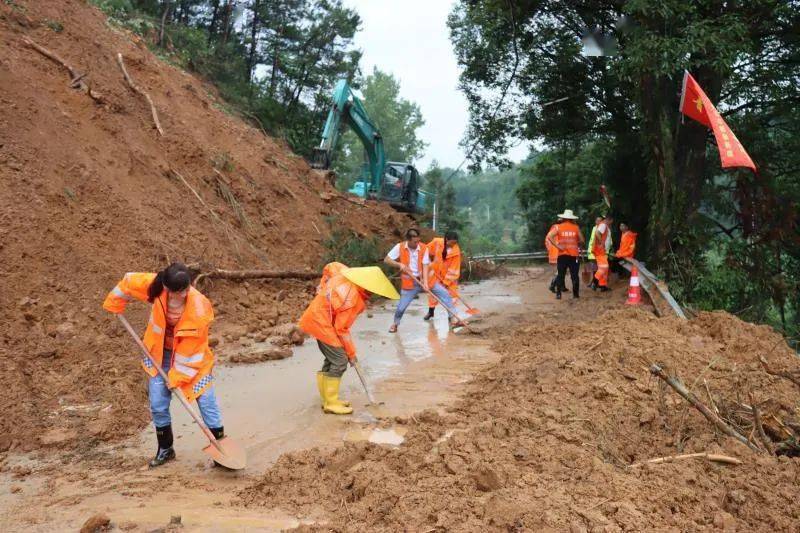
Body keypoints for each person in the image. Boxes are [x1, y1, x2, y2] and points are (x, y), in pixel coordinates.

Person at [103, 263, 223, 468]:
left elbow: (190, 352)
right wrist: (115, 301)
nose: (186, 293)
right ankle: (166, 449)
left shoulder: (199, 307)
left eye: (187, 288)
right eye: (181, 291)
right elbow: (129, 280)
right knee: (158, 403)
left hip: (193, 360)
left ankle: (220, 449)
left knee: (206, 401)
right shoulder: (156, 286)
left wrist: (176, 378)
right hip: (159, 354)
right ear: (167, 289)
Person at [299, 263, 399, 414]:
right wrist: (351, 354)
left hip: (316, 319)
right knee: (340, 360)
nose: (372, 295)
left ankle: (327, 400)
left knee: (332, 359)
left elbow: (330, 266)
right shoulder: (353, 299)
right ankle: (331, 403)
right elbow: (342, 329)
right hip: (322, 324)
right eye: (372, 292)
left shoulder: (345, 274)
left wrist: (322, 287)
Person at [384, 228, 458, 332]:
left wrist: (426, 283)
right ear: (408, 240)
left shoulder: (423, 248)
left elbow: (425, 265)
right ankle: (395, 324)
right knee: (401, 308)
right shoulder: (399, 247)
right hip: (410, 283)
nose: (417, 243)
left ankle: (453, 319)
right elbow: (386, 259)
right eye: (415, 242)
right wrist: (399, 264)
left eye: (418, 241)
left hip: (425, 279)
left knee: (445, 294)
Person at [547, 209, 585, 299]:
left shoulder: (558, 227)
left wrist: (558, 246)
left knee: (561, 274)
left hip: (562, 254)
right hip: (574, 255)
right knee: (574, 275)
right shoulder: (576, 227)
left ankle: (558, 294)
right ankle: (575, 295)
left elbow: (550, 236)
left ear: (563, 218)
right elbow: (582, 240)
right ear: (572, 219)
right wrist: (578, 242)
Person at [423, 231, 461, 321]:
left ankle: (451, 316)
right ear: (446, 240)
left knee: (452, 296)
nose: (453, 244)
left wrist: (446, 282)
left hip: (449, 277)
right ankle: (431, 312)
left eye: (455, 243)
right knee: (432, 295)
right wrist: (428, 261)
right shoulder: (437, 242)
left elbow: (454, 269)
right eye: (452, 242)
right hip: (435, 274)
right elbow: (425, 250)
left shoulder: (456, 251)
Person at [587, 216, 612, 289]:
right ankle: (594, 281)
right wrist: (602, 243)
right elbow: (597, 234)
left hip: (601, 251)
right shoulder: (603, 225)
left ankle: (602, 285)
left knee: (603, 268)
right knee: (604, 267)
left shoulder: (605, 227)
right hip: (599, 251)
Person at [545, 220, 565, 293]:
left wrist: (550, 249)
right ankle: (552, 285)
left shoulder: (554, 228)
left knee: (561, 270)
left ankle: (562, 286)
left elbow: (547, 241)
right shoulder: (557, 229)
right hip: (558, 253)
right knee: (560, 271)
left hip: (554, 253)